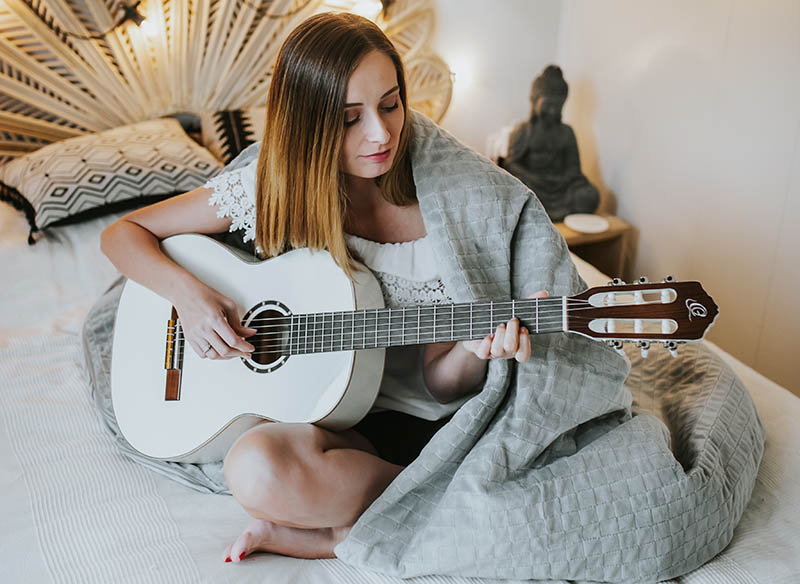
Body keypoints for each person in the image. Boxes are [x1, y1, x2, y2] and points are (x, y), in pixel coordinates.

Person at [101, 12, 547, 563]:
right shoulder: (271, 190)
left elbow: (442, 384)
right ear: (309, 125)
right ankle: (377, 521)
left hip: (414, 433)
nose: (381, 134)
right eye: (349, 118)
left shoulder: (446, 211)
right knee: (252, 467)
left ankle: (361, 522)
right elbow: (123, 234)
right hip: (324, 419)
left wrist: (476, 349)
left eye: (390, 104)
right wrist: (190, 298)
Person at [499, 65, 599, 222]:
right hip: (532, 185)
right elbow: (511, 164)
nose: (553, 110)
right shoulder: (523, 130)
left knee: (590, 195)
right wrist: (533, 178)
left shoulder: (567, 132)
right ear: (535, 100)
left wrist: (560, 180)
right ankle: (538, 210)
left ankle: (540, 212)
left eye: (558, 106)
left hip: (561, 188)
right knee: (513, 191)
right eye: (548, 104)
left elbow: (574, 169)